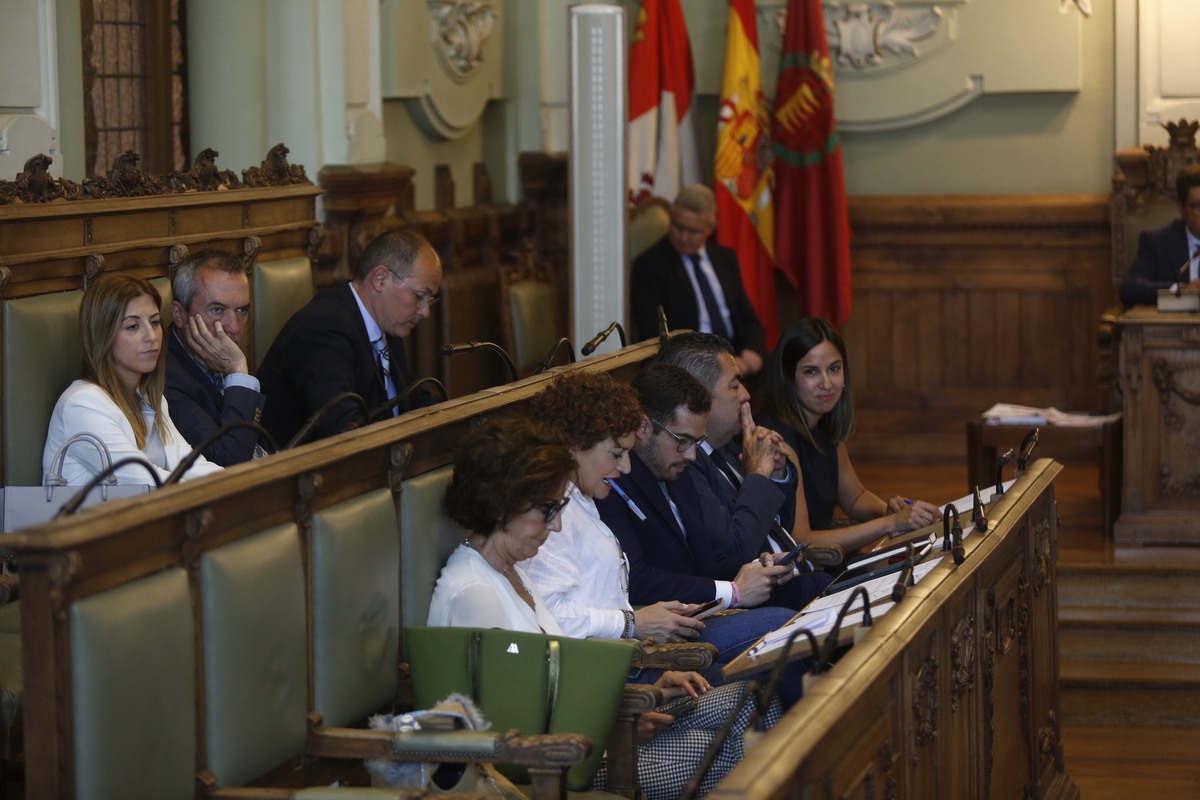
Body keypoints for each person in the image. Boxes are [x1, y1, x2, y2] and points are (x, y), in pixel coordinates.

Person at [431, 416, 776, 800]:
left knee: (756, 702)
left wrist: (646, 692)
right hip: (559, 760)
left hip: (587, 730)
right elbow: (503, 726)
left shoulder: (509, 572)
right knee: (716, 751)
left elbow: (551, 677)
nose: (558, 526)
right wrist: (616, 727)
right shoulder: (474, 591)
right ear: (501, 506)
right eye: (547, 510)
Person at [519, 370, 798, 683]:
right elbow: (547, 619)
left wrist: (659, 616)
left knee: (775, 657)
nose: (625, 467)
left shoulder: (583, 499)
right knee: (764, 667)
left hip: (631, 651)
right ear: (573, 445)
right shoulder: (548, 515)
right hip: (606, 669)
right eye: (616, 454)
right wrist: (632, 622)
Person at [595, 363, 827, 612]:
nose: (693, 455)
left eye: (697, 442)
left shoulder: (677, 469)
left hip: (714, 600)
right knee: (781, 615)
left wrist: (758, 570)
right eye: (683, 441)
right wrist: (733, 592)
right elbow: (637, 580)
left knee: (816, 586)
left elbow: (707, 558)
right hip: (674, 621)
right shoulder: (612, 479)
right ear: (643, 427)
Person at [756, 318, 941, 552]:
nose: (827, 383)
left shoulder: (823, 422)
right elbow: (801, 540)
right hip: (798, 574)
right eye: (811, 372)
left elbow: (855, 498)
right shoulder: (776, 440)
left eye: (834, 369)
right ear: (788, 377)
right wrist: (890, 523)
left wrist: (890, 510)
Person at [258, 229, 441, 446]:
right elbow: (341, 431)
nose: (425, 311)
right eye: (419, 296)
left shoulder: (387, 323)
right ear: (381, 279)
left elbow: (411, 398)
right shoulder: (324, 329)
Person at [43, 273, 223, 486]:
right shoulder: (82, 404)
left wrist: (237, 482)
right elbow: (144, 481)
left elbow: (189, 465)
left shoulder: (149, 398)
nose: (152, 336)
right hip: (88, 519)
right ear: (104, 336)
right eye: (133, 326)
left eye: (155, 322)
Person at [656, 332, 809, 563]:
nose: (746, 395)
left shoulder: (727, 447)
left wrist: (775, 474)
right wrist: (757, 474)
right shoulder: (685, 466)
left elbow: (777, 529)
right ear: (697, 396)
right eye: (734, 386)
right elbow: (737, 549)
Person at [631, 184, 767, 376]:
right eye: (678, 227)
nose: (684, 238)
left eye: (694, 231)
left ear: (710, 228)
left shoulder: (724, 258)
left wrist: (752, 353)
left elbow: (748, 319)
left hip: (737, 359)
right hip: (691, 369)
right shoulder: (650, 265)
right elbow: (653, 335)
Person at [165, 249, 267, 465]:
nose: (233, 327)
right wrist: (238, 370)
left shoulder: (220, 353)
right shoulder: (165, 379)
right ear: (179, 315)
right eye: (217, 309)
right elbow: (230, 461)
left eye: (242, 310)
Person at [1120, 164, 1200, 306]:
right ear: (1181, 207)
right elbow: (1130, 289)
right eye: (1198, 205)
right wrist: (1182, 289)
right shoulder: (1157, 242)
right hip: (1175, 325)